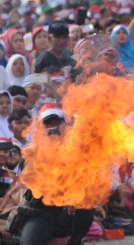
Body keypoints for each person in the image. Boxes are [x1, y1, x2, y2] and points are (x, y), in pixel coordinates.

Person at [19, 104, 95, 245]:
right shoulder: (30, 150)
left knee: (86, 208)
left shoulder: (75, 151)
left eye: (56, 124)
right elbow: (25, 178)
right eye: (47, 124)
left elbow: (86, 178)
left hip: (68, 209)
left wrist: (76, 197)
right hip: (41, 209)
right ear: (40, 127)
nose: (52, 128)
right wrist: (43, 149)